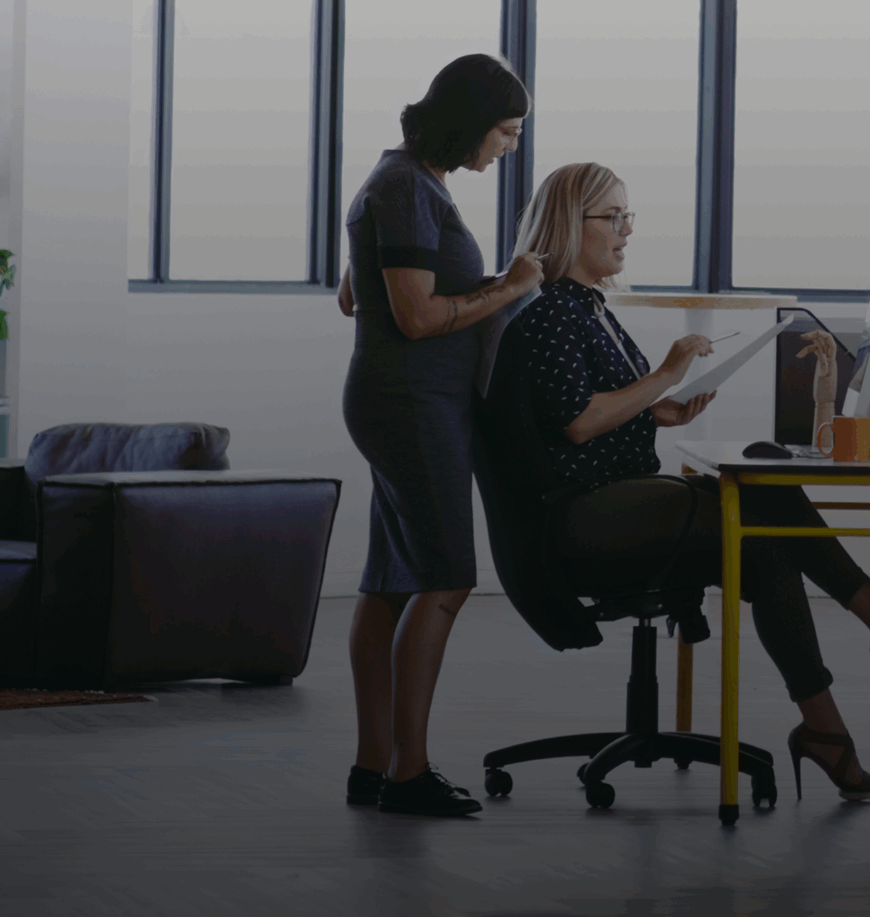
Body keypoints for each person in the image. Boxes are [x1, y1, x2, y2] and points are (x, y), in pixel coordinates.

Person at [490, 162, 870, 802]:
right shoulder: (555, 309)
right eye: (612, 218)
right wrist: (667, 375)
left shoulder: (587, 307)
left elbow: (596, 406)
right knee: (763, 488)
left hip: (614, 504)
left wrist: (659, 410)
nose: (626, 231)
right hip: (581, 519)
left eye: (627, 216)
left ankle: (826, 727)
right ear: (568, 224)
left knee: (768, 535)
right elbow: (581, 423)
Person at [338, 54, 543, 817]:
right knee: (447, 576)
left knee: (392, 579)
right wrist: (509, 288)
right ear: (470, 121)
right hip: (411, 403)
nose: (511, 145)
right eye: (507, 129)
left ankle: (373, 766)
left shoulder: (403, 184)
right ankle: (408, 772)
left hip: (402, 401)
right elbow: (417, 318)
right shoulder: (403, 188)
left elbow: (353, 293)